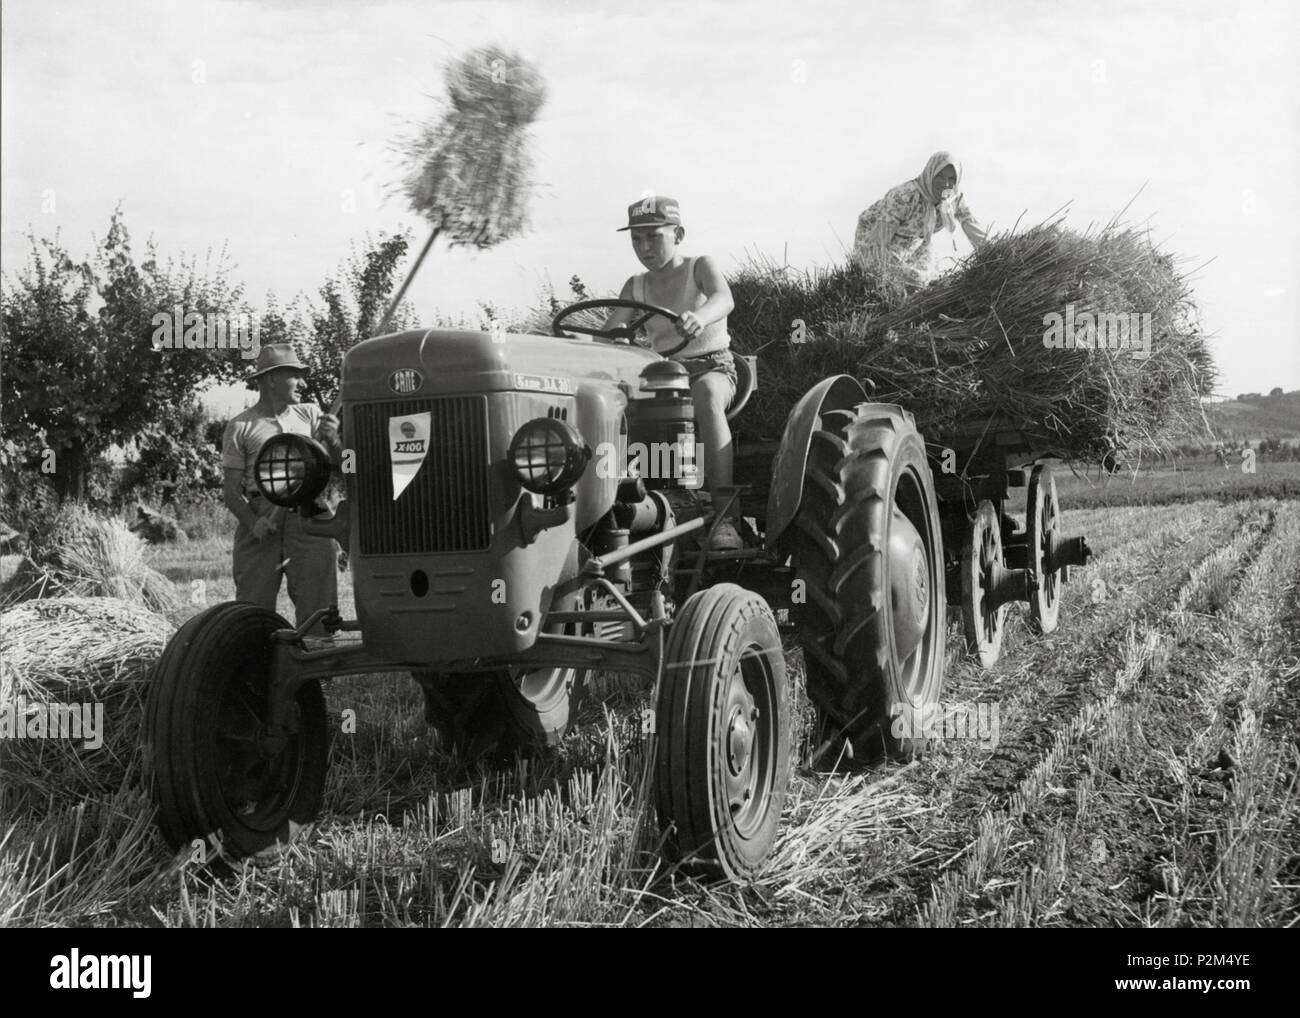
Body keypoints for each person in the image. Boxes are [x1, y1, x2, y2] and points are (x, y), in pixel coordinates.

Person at [599, 196, 742, 550]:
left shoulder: (699, 267)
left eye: (653, 237)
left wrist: (702, 316)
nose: (644, 247)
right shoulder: (635, 285)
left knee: (706, 395)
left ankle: (726, 518)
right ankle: (615, 510)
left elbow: (725, 299)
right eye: (636, 240)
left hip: (712, 367)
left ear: (677, 234)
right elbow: (609, 330)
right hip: (662, 380)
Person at [221, 344, 342, 634]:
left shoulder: (312, 416)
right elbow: (229, 490)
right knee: (253, 611)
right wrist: (253, 523)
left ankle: (319, 673)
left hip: (310, 516)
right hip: (262, 520)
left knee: (320, 609)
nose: (302, 383)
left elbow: (348, 467)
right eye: (294, 375)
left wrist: (336, 441)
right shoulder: (240, 427)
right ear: (271, 379)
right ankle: (258, 672)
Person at [852, 151, 988, 287]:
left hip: (915, 240)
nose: (946, 183)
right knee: (903, 279)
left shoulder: (954, 199)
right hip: (876, 236)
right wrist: (879, 272)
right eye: (940, 176)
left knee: (925, 279)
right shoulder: (904, 195)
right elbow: (878, 241)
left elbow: (972, 227)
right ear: (930, 173)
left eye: (952, 179)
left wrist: (991, 253)